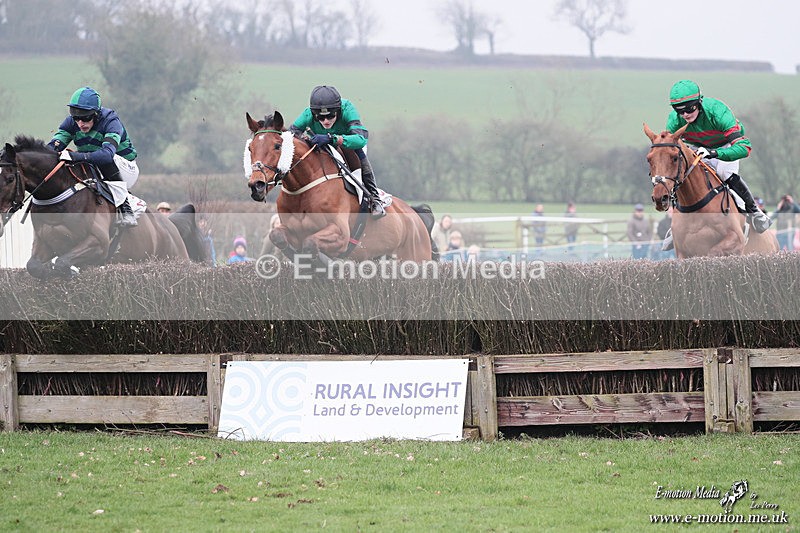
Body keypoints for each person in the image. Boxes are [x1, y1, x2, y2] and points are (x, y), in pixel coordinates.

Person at [662, 80, 771, 250]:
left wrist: (715, 154)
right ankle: (676, 225)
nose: (685, 115)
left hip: (725, 145)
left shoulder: (717, 111)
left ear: (698, 102)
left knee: (724, 173)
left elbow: (744, 147)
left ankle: (754, 211)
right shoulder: (674, 120)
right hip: (697, 148)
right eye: (679, 110)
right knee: (685, 176)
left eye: (689, 108)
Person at [47, 86, 139, 227]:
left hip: (125, 169)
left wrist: (75, 156)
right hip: (95, 166)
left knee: (104, 158)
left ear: (96, 114)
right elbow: (53, 147)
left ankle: (126, 208)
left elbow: (107, 154)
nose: (80, 124)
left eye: (85, 118)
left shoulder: (111, 121)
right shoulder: (71, 123)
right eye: (76, 118)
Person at [289, 85, 385, 218]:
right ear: (313, 114)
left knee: (360, 156)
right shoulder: (307, 114)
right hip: (323, 145)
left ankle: (375, 199)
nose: (326, 121)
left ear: (338, 111)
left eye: (330, 116)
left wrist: (332, 138)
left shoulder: (347, 109)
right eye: (320, 118)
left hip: (350, 144)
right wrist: (304, 139)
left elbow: (360, 139)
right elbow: (290, 136)